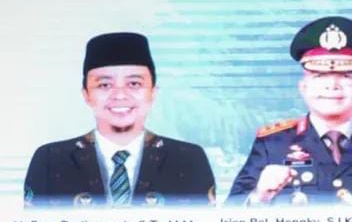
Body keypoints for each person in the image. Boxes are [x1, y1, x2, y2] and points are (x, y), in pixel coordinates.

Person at [228, 17, 352, 206]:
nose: (332, 86)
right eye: (320, 76)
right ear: (303, 87)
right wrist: (259, 196)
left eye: (345, 76)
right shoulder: (272, 142)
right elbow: (228, 212)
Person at [24, 32, 215, 208]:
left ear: (153, 92)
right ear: (86, 94)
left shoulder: (188, 159)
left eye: (134, 83)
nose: (120, 95)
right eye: (105, 85)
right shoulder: (50, 159)